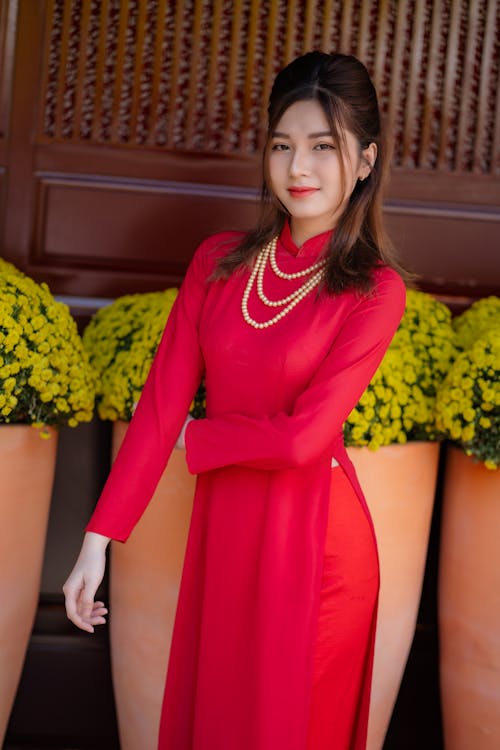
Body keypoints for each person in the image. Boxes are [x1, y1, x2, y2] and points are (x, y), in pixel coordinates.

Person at [64, 51, 408, 750]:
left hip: (316, 549)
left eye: (323, 147)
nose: (298, 168)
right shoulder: (219, 264)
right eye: (282, 145)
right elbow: (161, 407)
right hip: (226, 530)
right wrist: (96, 541)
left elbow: (303, 440)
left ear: (366, 160)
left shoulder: (373, 291)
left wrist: (202, 440)